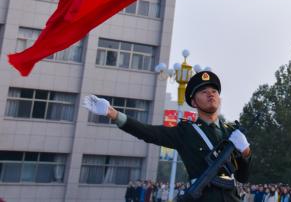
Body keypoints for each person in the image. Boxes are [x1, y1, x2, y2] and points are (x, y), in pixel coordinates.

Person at [82, 70, 251, 201]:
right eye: (204, 92)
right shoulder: (186, 131)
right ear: (194, 102)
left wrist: (246, 152)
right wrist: (113, 114)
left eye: (214, 91)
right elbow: (148, 132)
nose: (211, 94)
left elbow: (243, 177)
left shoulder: (232, 132)